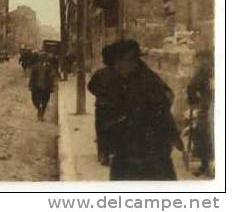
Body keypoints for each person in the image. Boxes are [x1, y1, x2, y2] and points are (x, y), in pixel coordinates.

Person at [109, 39, 181, 180]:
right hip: (136, 153)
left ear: (132, 61)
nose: (116, 66)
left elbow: (161, 111)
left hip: (145, 156)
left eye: (119, 61)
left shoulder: (145, 83)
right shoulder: (132, 78)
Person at [87, 41, 124, 165]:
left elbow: (90, 86)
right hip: (117, 107)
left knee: (101, 129)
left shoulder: (99, 73)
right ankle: (113, 152)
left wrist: (99, 94)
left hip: (102, 106)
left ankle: (103, 155)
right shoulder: (122, 74)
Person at [186, 50, 213, 177]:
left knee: (205, 134)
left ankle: (206, 165)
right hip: (207, 108)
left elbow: (191, 88)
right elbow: (191, 88)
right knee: (203, 134)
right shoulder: (203, 73)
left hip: (209, 108)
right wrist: (196, 102)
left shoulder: (204, 72)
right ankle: (205, 165)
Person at [28, 52, 56, 121]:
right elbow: (32, 77)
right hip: (36, 86)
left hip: (46, 87)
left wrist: (52, 86)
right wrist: (30, 85)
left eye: (44, 58)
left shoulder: (49, 66)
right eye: (41, 58)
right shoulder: (35, 66)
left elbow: (52, 77)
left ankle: (41, 115)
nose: (43, 59)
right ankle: (39, 109)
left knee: (45, 102)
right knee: (34, 100)